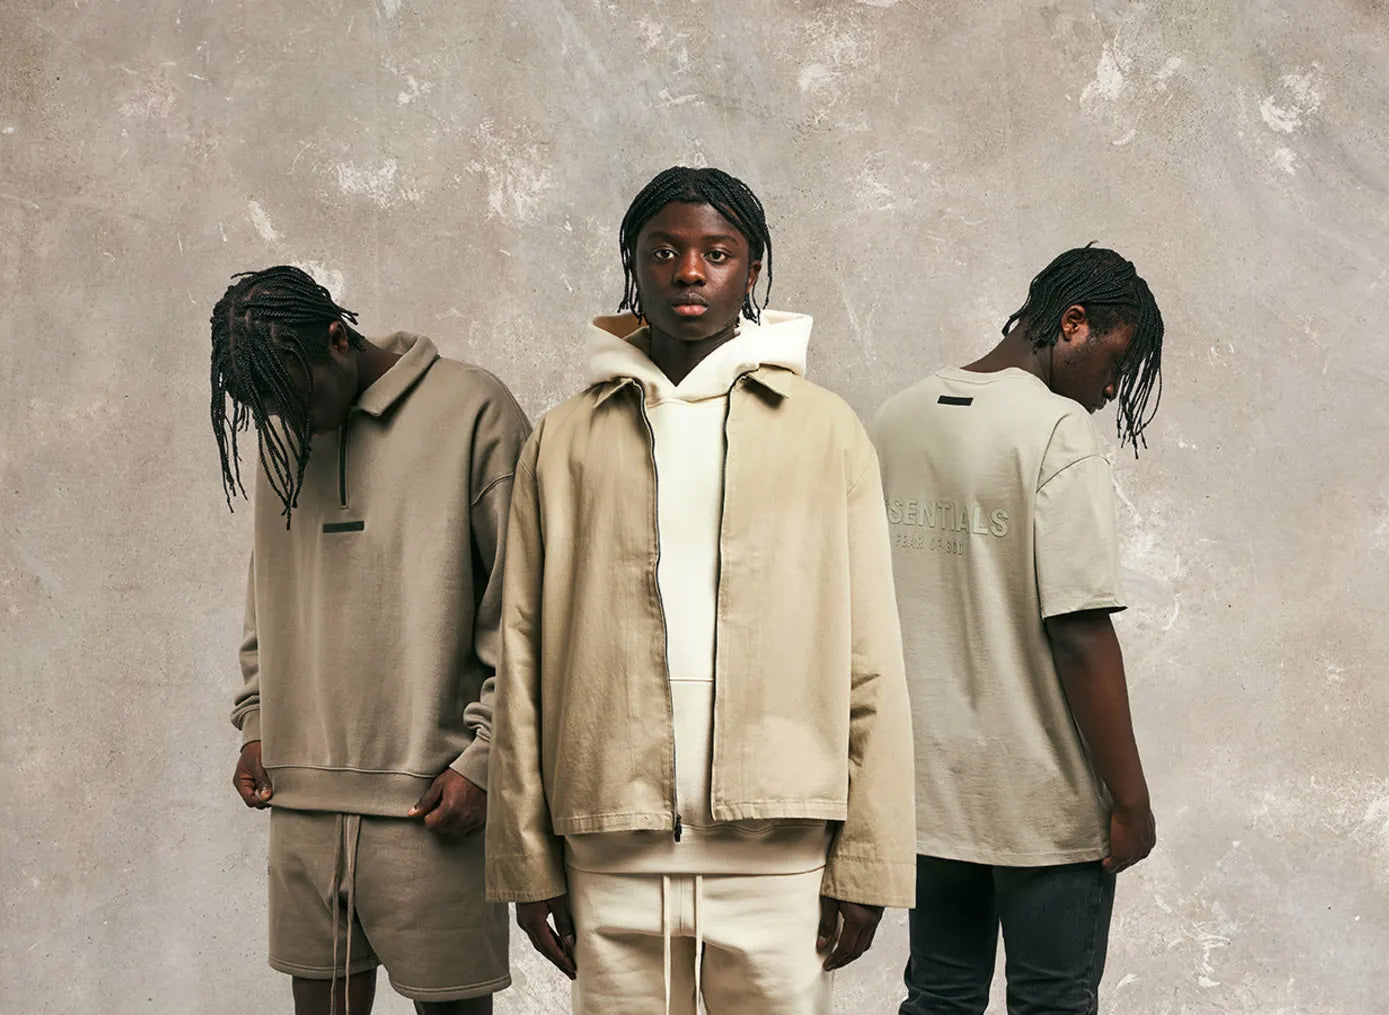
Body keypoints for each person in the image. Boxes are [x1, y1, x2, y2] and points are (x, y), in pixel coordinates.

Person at [485, 167, 916, 1015]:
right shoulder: (564, 438)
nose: (689, 271)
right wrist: (526, 859)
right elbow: (522, 655)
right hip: (610, 853)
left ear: (751, 270)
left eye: (716, 253)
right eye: (664, 251)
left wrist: (869, 861)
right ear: (633, 265)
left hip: (779, 856)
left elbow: (871, 653)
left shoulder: (826, 430)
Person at [209, 265, 528, 1014]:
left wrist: (486, 760)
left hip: (430, 802)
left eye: (297, 397)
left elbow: (527, 605)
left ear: (337, 338)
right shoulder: (285, 428)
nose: (290, 418)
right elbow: (270, 590)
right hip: (302, 800)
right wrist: (258, 722)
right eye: (269, 407)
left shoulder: (474, 410)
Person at [870, 245, 1165, 1015]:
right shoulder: (1056, 430)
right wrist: (1130, 799)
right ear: (1073, 323)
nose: (1111, 389)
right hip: (1043, 799)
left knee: (938, 995)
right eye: (1116, 362)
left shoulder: (896, 417)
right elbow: (1080, 633)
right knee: (1053, 1001)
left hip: (928, 792)